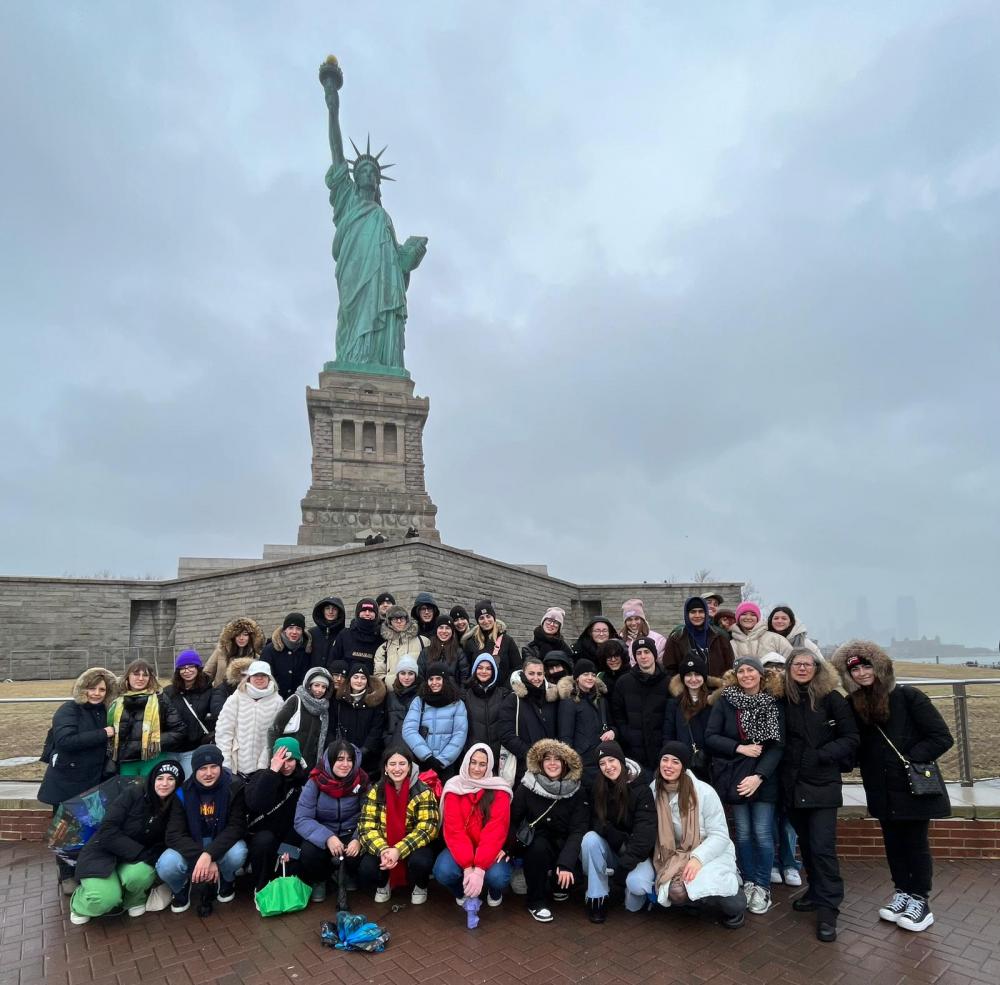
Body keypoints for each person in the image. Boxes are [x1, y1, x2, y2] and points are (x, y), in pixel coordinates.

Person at [831, 640, 954, 933]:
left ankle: (920, 900)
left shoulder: (909, 697)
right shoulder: (855, 705)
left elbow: (941, 737)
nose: (861, 673)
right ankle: (901, 891)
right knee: (893, 843)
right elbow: (855, 744)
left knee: (915, 843)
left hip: (911, 785)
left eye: (866, 666)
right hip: (880, 786)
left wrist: (910, 760)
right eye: (855, 669)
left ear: (879, 666)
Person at [780, 649, 859, 942]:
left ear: (817, 668)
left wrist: (821, 756)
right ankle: (815, 891)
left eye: (808, 664)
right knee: (808, 845)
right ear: (789, 668)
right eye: (797, 664)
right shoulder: (783, 699)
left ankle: (828, 907)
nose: (802, 668)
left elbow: (851, 738)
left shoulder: (832, 699)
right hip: (792, 784)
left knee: (823, 847)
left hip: (822, 783)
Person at [628, 743, 746, 928]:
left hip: (708, 851)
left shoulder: (704, 792)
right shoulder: (653, 790)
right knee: (676, 892)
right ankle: (695, 901)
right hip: (674, 854)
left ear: (684, 766)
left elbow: (720, 835)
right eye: (664, 760)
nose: (668, 766)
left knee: (734, 904)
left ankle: (730, 893)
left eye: (675, 761)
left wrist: (698, 859)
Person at [705, 656, 785, 916]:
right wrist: (739, 747)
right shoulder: (726, 701)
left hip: (764, 778)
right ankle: (748, 880)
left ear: (761, 674)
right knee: (743, 833)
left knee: (762, 833)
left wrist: (759, 776)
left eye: (751, 670)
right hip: (736, 775)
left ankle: (762, 885)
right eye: (742, 671)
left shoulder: (774, 701)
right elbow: (711, 737)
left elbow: (777, 746)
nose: (747, 675)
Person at [69, 759, 183, 924]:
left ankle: (132, 899)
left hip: (132, 860)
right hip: (102, 854)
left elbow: (169, 838)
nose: (164, 784)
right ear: (152, 779)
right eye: (160, 778)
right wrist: (141, 853)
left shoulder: (174, 807)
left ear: (177, 783)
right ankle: (79, 902)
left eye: (170, 779)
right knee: (104, 899)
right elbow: (107, 831)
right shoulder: (132, 794)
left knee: (142, 875)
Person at [38, 666, 119, 894]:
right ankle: (66, 875)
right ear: (83, 687)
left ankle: (84, 869)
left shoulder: (103, 710)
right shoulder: (69, 709)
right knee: (64, 830)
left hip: (92, 782)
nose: (96, 693)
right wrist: (104, 733)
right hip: (67, 781)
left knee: (88, 828)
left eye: (101, 689)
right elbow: (65, 740)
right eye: (92, 688)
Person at [157, 744, 248, 915]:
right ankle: (181, 887)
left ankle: (226, 878)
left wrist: (209, 854)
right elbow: (174, 835)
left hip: (221, 839)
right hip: (193, 842)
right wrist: (203, 856)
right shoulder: (182, 792)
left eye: (214, 767)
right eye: (202, 768)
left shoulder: (234, 786)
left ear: (220, 766)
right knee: (166, 865)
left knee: (238, 853)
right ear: (194, 769)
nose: (209, 773)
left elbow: (236, 827)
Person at [507, 739, 589, 923]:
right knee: (538, 848)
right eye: (547, 759)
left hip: (564, 844)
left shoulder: (577, 790)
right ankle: (535, 901)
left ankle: (556, 884)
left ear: (565, 763)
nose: (552, 763)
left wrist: (566, 863)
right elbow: (513, 820)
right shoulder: (527, 786)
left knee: (571, 878)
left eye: (557, 759)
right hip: (537, 844)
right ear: (540, 763)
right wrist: (508, 849)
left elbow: (578, 830)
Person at [579, 741, 656, 922]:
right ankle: (597, 897)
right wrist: (608, 831)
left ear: (621, 760)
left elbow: (645, 835)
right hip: (613, 848)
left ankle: (639, 890)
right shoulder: (598, 787)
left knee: (633, 899)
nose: (608, 767)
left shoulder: (641, 788)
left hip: (636, 854)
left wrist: (624, 868)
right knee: (590, 840)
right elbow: (593, 820)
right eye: (602, 763)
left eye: (611, 760)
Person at [433, 743, 513, 917]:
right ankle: (461, 892)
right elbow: (454, 831)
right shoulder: (454, 788)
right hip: (461, 846)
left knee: (499, 877)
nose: (476, 768)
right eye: (473, 762)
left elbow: (495, 831)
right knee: (443, 871)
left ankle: (494, 892)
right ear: (466, 762)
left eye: (482, 764)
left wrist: (480, 869)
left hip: (490, 849)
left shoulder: (499, 790)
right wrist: (468, 867)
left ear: (489, 765)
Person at [357, 746, 440, 904]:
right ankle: (383, 883)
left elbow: (427, 828)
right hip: (384, 844)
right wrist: (384, 850)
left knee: (421, 862)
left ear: (409, 767)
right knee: (366, 868)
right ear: (386, 768)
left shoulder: (423, 790)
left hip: (413, 845)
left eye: (402, 764)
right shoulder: (376, 791)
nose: (397, 768)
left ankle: (420, 885)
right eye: (392, 764)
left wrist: (398, 850)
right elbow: (366, 827)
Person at [294, 740, 368, 903]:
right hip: (324, 834)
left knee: (365, 854)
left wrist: (358, 838)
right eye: (340, 759)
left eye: (349, 760)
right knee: (309, 852)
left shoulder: (362, 780)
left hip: (351, 832)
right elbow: (302, 818)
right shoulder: (315, 781)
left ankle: (347, 873)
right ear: (329, 760)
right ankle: (321, 879)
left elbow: (368, 814)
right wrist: (328, 837)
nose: (345, 764)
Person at [243, 737, 308, 891]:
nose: (285, 765)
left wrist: (289, 845)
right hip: (263, 835)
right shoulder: (262, 777)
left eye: (290, 760)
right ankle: (261, 888)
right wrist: (272, 772)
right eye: (281, 759)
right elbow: (256, 804)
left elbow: (303, 817)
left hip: (290, 836)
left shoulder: (303, 781)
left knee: (294, 866)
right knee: (264, 841)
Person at [108, 660, 185, 777]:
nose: (140, 678)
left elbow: (179, 730)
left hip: (152, 759)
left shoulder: (161, 699)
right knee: (130, 794)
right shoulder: (117, 701)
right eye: (136, 674)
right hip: (125, 762)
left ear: (150, 679)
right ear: (127, 676)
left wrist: (155, 743)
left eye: (145, 675)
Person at [497, 656, 559, 786]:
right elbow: (506, 735)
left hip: (550, 765)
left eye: (539, 674)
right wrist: (532, 755)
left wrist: (549, 757)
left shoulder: (551, 698)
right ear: (523, 673)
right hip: (523, 766)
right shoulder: (513, 699)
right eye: (531, 673)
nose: (536, 678)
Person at [402, 662, 468, 780]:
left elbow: (460, 733)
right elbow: (408, 729)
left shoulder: (457, 703)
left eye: (438, 678)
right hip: (422, 762)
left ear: (445, 680)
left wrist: (442, 760)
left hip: (447, 765)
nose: (434, 683)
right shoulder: (419, 701)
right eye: (431, 679)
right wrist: (427, 756)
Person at [214, 661, 284, 773]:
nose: (259, 678)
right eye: (255, 675)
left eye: (263, 675)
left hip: (265, 766)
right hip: (236, 765)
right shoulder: (235, 698)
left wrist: (264, 764)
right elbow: (223, 732)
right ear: (249, 677)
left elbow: (277, 734)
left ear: (269, 678)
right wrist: (225, 762)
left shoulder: (277, 702)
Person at [164, 650, 225, 778]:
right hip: (170, 749)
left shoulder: (209, 691)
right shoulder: (169, 692)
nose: (187, 671)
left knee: (189, 784)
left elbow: (216, 715)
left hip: (193, 748)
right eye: (183, 668)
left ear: (198, 668)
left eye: (191, 666)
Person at [610, 637, 669, 769]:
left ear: (654, 654)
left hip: (661, 748)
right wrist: (627, 734)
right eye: (639, 653)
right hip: (633, 749)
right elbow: (617, 713)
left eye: (646, 652)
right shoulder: (624, 682)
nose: (643, 656)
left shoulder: (667, 682)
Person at [662, 655, 722, 783]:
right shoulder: (674, 704)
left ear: (704, 677)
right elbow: (668, 735)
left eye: (697, 675)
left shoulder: (714, 702)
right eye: (688, 675)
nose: (693, 679)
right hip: (683, 764)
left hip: (711, 763)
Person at [557, 659, 614, 787]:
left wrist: (612, 732)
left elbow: (612, 725)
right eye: (585, 674)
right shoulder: (569, 702)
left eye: (593, 675)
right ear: (577, 678)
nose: (590, 678)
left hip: (603, 758)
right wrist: (571, 763)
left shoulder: (601, 700)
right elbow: (565, 736)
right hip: (583, 762)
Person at [266, 666, 333, 769]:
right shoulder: (295, 700)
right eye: (316, 685)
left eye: (324, 687)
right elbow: (274, 730)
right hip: (286, 762)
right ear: (309, 685)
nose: (320, 690)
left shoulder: (323, 709)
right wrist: (274, 759)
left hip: (308, 766)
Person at [331, 663, 387, 772]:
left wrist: (365, 750)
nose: (359, 681)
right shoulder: (339, 701)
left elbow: (377, 728)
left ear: (367, 681)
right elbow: (332, 726)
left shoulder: (375, 702)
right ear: (349, 679)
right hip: (342, 756)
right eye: (355, 677)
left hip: (367, 759)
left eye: (363, 678)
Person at [663, 597, 735, 679]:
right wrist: (680, 688)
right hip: (689, 688)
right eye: (693, 612)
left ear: (706, 613)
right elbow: (669, 668)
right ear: (687, 614)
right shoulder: (677, 638)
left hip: (717, 688)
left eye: (701, 611)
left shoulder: (720, 636)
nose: (697, 615)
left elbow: (729, 665)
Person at [463, 654, 509, 765]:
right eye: (480, 667)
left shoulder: (503, 694)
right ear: (474, 670)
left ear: (494, 672)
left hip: (498, 754)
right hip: (474, 756)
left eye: (488, 668)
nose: (484, 671)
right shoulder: (465, 695)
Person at [260, 612, 314, 701]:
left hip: (298, 700)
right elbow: (264, 675)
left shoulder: (307, 650)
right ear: (285, 629)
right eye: (291, 628)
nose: (294, 632)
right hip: (274, 699)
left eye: (298, 628)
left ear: (302, 631)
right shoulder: (270, 650)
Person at [462, 600, 520, 682]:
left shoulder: (507, 641)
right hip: (477, 692)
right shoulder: (471, 643)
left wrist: (506, 689)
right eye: (481, 618)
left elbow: (517, 668)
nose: (486, 621)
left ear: (494, 617)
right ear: (478, 621)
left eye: (488, 616)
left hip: (503, 691)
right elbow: (466, 670)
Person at [373, 606, 428, 685]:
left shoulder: (423, 641)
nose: (399, 622)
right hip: (392, 692)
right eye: (395, 619)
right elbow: (378, 675)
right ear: (389, 622)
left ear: (407, 620)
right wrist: (388, 683)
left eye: (402, 618)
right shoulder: (383, 648)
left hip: (418, 691)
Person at [204, 617, 264, 688]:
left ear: (251, 636)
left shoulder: (256, 656)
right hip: (221, 694)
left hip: (246, 695)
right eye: (237, 634)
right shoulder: (221, 651)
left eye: (245, 634)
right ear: (232, 636)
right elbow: (208, 673)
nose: (241, 638)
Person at [328, 598, 383, 676]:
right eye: (364, 610)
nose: (367, 613)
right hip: (346, 683)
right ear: (358, 613)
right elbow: (332, 661)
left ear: (376, 615)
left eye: (371, 611)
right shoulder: (345, 634)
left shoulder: (381, 636)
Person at [383, 655, 421, 754]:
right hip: (392, 747)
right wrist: (387, 740)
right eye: (403, 673)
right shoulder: (389, 696)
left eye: (411, 673)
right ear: (398, 674)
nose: (406, 677)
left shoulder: (421, 696)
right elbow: (383, 723)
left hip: (415, 748)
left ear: (415, 675)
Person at [419, 615, 465, 685]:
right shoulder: (426, 652)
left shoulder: (459, 652)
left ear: (452, 631)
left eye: (447, 628)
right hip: (430, 693)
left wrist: (461, 694)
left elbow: (464, 676)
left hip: (452, 693)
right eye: (441, 628)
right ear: (436, 630)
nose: (444, 631)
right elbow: (420, 675)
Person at [619, 599, 667, 663]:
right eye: (629, 620)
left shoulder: (658, 640)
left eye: (636, 619)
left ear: (642, 620)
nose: (633, 623)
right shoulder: (620, 640)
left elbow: (662, 665)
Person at [310, 596, 346, 669]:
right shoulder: (312, 633)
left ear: (339, 612)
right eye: (327, 608)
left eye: (334, 609)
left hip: (335, 678)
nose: (330, 612)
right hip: (314, 677)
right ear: (322, 611)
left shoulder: (344, 634)